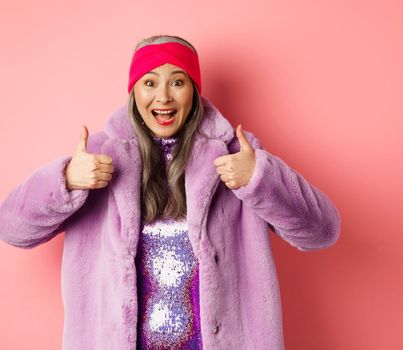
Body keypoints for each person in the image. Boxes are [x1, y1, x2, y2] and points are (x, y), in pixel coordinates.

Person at [0, 34, 341, 349]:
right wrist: (66, 181)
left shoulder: (237, 156)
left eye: (177, 82)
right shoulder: (96, 160)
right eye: (150, 83)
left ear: (193, 90)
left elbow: (321, 232)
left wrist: (260, 179)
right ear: (135, 92)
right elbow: (12, 228)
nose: (163, 97)